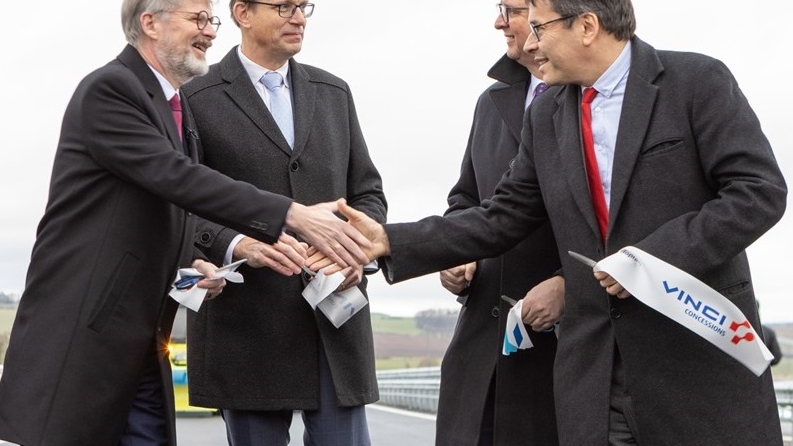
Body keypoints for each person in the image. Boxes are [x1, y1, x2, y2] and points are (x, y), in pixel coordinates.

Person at [321, 0, 788, 444]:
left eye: (538, 28)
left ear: (586, 26)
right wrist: (388, 239)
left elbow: (759, 191)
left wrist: (650, 261)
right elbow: (501, 216)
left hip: (697, 361)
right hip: (596, 375)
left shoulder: (697, 81)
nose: (529, 44)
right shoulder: (545, 114)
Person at [0, 0, 374, 444]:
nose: (210, 31)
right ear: (150, 23)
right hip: (95, 333)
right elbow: (180, 179)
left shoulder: (172, 103)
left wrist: (193, 264)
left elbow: (165, 209)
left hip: (145, 334)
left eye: (210, 20)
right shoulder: (112, 89)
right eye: (199, 19)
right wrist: (289, 216)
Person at [180, 1, 387, 445]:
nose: (298, 18)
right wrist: (236, 243)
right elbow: (179, 202)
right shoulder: (193, 96)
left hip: (334, 324)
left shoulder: (334, 92)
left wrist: (356, 254)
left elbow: (368, 193)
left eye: (302, 6)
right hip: (244, 330)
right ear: (243, 13)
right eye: (283, 6)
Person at [435, 2, 561, 445]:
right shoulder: (490, 102)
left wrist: (569, 283)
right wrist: (455, 254)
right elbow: (465, 199)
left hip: (555, 346)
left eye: (514, 9)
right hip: (480, 347)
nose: (499, 21)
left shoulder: (591, 99)